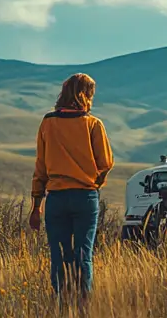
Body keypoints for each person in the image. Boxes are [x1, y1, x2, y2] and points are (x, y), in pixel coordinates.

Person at [30, 73, 114, 302]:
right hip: (85, 197)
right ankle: (83, 306)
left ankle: (62, 303)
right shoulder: (93, 124)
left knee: (59, 255)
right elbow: (105, 163)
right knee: (82, 254)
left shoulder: (48, 122)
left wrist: (36, 205)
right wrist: (94, 182)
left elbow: (40, 168)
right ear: (86, 95)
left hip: (55, 198)